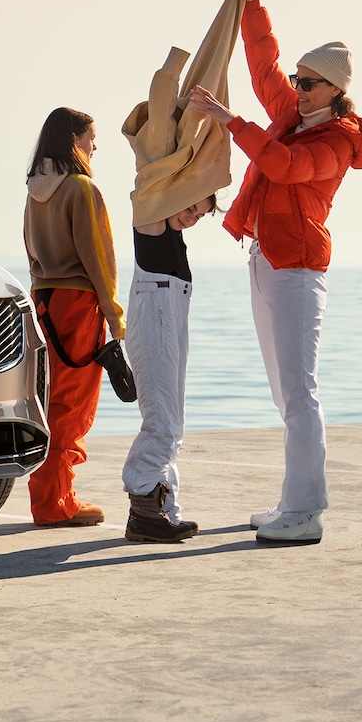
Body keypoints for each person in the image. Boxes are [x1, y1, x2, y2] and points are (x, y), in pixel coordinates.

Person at [184, 0, 362, 548]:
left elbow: (285, 168)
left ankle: (306, 511)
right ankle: (293, 499)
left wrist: (229, 120)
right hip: (266, 260)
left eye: (309, 83)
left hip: (298, 271)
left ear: (335, 90)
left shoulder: (338, 140)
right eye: (298, 79)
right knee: (282, 391)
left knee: (299, 391)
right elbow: (263, 67)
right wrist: (252, 5)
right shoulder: (293, 114)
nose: (297, 88)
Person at [21, 106, 126, 528]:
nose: (94, 146)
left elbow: (29, 248)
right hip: (78, 305)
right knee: (74, 405)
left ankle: (48, 495)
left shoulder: (35, 188)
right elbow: (100, 260)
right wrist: (115, 316)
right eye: (89, 138)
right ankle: (56, 503)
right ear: (72, 141)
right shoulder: (82, 188)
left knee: (48, 400)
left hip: (41, 299)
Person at [117, 200, 210, 543]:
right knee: (162, 423)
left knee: (174, 424)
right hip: (155, 326)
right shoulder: (152, 221)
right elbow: (149, 182)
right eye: (191, 209)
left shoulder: (173, 233)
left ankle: (161, 508)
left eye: (200, 216)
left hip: (169, 324)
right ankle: (144, 507)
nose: (193, 219)